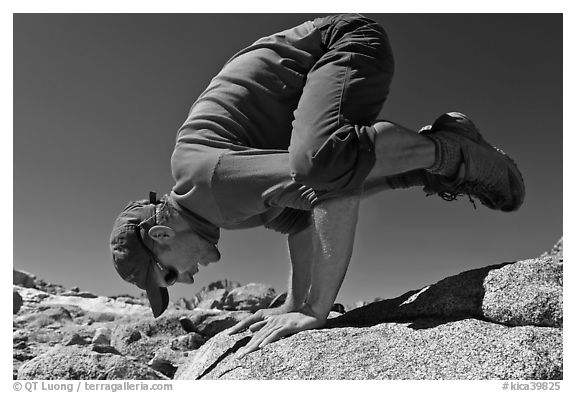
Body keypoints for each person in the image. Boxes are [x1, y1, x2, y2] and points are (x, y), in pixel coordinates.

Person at [110, 14, 524, 358]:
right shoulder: (217, 206)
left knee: (323, 164)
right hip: (327, 59)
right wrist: (294, 301)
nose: (185, 281)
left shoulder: (208, 184)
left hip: (344, 40)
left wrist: (314, 309)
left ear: (161, 234)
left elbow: (331, 190)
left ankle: (452, 153)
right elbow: (301, 216)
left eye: (168, 273)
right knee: (316, 177)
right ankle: (430, 159)